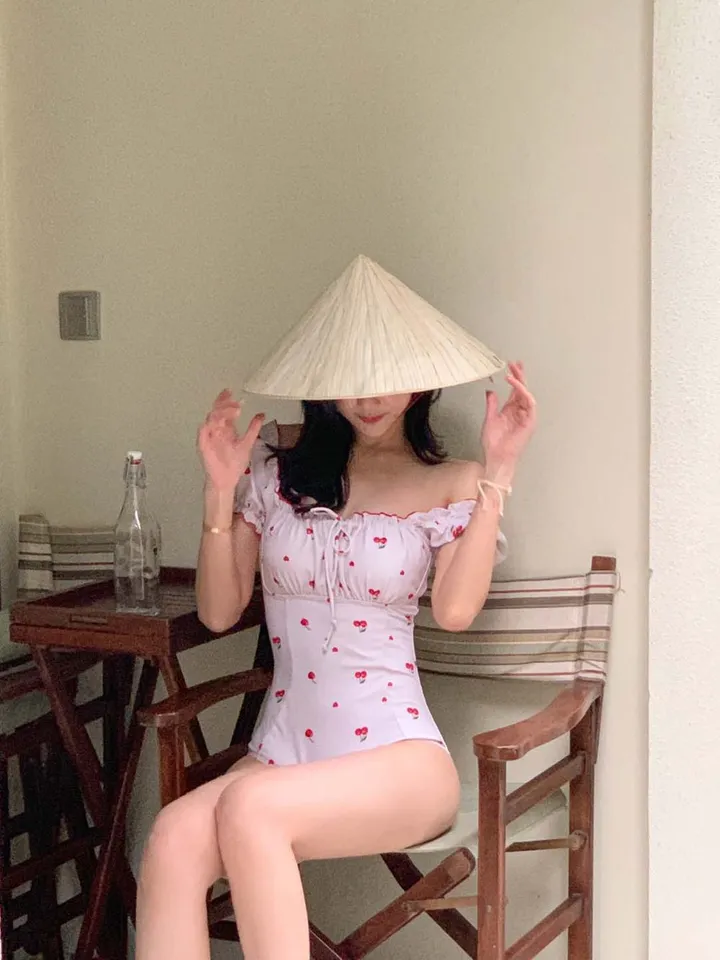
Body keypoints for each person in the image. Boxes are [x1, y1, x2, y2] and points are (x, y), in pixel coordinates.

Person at [136, 256, 537, 960]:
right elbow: (221, 612)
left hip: (398, 761)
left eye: (385, 377)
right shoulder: (278, 475)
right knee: (171, 836)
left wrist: (499, 473)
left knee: (250, 806)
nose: (368, 398)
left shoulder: (453, 482)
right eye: (349, 380)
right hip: (282, 752)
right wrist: (219, 492)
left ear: (420, 381)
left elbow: (454, 611)